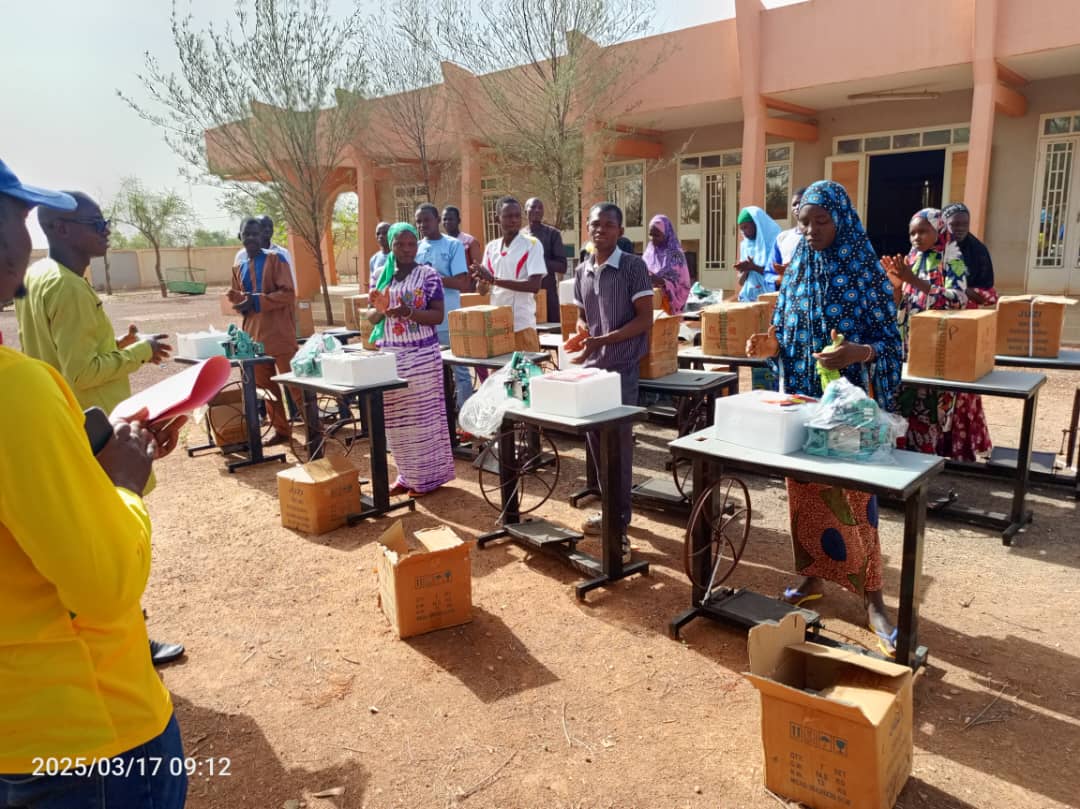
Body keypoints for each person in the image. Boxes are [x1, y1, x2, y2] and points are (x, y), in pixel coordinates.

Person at [0, 158, 188, 807]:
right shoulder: (18, 393)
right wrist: (123, 483)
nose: (105, 229)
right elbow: (103, 584)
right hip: (86, 738)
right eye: (18, 217)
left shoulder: (43, 283)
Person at [16, 190, 185, 667]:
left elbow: (61, 351)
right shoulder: (68, 287)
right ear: (60, 229)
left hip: (65, 422)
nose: (106, 231)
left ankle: (104, 641)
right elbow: (82, 371)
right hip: (91, 432)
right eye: (96, 224)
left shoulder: (40, 277)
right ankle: (126, 644)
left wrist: (120, 344)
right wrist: (139, 353)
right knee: (113, 542)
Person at [746, 180, 904, 656]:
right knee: (806, 495)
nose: (812, 230)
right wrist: (770, 345)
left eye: (821, 221)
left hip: (849, 410)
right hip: (803, 405)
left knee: (855, 501)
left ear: (842, 221)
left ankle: (873, 598)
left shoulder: (865, 272)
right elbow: (784, 331)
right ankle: (813, 575)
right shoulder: (797, 270)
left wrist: (859, 352)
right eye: (804, 223)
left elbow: (891, 344)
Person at [567, 202, 654, 562]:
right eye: (594, 224)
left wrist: (604, 340)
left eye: (608, 225)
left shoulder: (633, 267)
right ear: (587, 229)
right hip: (592, 371)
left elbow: (645, 319)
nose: (600, 230)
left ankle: (620, 525)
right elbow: (582, 317)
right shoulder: (582, 270)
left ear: (620, 231)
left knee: (618, 446)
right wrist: (582, 335)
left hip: (621, 369)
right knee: (597, 445)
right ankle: (610, 511)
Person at [881, 209, 993, 462]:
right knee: (903, 404)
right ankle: (904, 460)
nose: (916, 238)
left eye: (923, 231)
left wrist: (914, 280)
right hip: (908, 346)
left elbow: (959, 299)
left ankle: (926, 463)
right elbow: (902, 303)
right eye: (912, 233)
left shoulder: (953, 259)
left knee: (930, 408)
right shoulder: (911, 258)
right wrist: (896, 287)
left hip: (938, 345)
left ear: (939, 229)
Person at [366, 223, 456, 496]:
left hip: (421, 356)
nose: (406, 249)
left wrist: (408, 312)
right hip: (390, 355)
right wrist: (381, 309)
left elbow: (437, 315)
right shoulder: (381, 276)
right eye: (400, 244)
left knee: (423, 420)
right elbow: (371, 317)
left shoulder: (428, 275)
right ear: (390, 246)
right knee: (396, 421)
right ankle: (406, 475)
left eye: (411, 244)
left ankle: (427, 478)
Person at [227, 216, 298, 446]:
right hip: (253, 337)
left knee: (296, 386)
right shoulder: (238, 267)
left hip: (280, 333)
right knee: (266, 389)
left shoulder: (277, 259)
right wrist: (238, 302)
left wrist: (256, 301)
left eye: (255, 234)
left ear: (263, 236)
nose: (251, 238)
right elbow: (239, 299)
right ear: (240, 236)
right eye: (246, 234)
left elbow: (288, 294)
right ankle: (282, 431)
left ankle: (315, 432)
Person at [415, 203, 474, 409]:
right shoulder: (415, 247)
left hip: (449, 320)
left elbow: (462, 283)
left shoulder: (453, 245)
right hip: (424, 322)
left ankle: (464, 414)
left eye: (427, 220)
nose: (422, 225)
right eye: (418, 221)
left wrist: (433, 278)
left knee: (460, 370)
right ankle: (439, 413)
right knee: (430, 372)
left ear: (438, 220)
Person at [471, 197, 546, 351]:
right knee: (499, 367)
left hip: (522, 325)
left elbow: (534, 286)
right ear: (496, 218)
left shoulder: (532, 244)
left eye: (517, 216)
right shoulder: (491, 247)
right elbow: (483, 291)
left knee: (525, 367)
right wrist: (482, 281)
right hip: (497, 325)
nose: (514, 220)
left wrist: (493, 280)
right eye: (508, 216)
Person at [524, 197, 567, 323]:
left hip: (548, 294)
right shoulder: (519, 237)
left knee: (551, 331)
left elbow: (562, 266)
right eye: (533, 207)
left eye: (540, 208)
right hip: (525, 295)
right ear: (525, 211)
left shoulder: (553, 234)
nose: (537, 210)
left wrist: (538, 260)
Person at [942, 202, 996, 305]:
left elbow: (987, 293)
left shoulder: (978, 250)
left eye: (965, 224)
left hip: (966, 305)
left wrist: (961, 289)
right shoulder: (933, 246)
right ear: (943, 224)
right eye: (955, 224)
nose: (961, 228)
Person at [643, 214, 691, 314]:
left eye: (657, 235)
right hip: (650, 306)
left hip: (670, 310)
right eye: (650, 235)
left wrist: (662, 282)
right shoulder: (649, 253)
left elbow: (684, 286)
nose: (652, 238)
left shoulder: (676, 254)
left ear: (666, 234)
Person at [234, 215, 295, 288]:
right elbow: (237, 286)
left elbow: (291, 284)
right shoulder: (242, 256)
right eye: (263, 226)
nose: (267, 229)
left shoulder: (282, 254)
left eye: (270, 226)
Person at [735, 205, 780, 301]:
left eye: (746, 227)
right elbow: (741, 283)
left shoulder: (776, 242)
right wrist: (746, 269)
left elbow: (778, 276)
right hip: (749, 299)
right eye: (741, 229)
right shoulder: (745, 246)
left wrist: (754, 267)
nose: (744, 232)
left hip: (771, 299)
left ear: (756, 223)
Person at [769, 187, 807, 287]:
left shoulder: (820, 237)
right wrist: (779, 278)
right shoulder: (782, 238)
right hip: (787, 292)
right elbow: (769, 273)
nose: (797, 207)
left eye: (801, 202)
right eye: (794, 204)